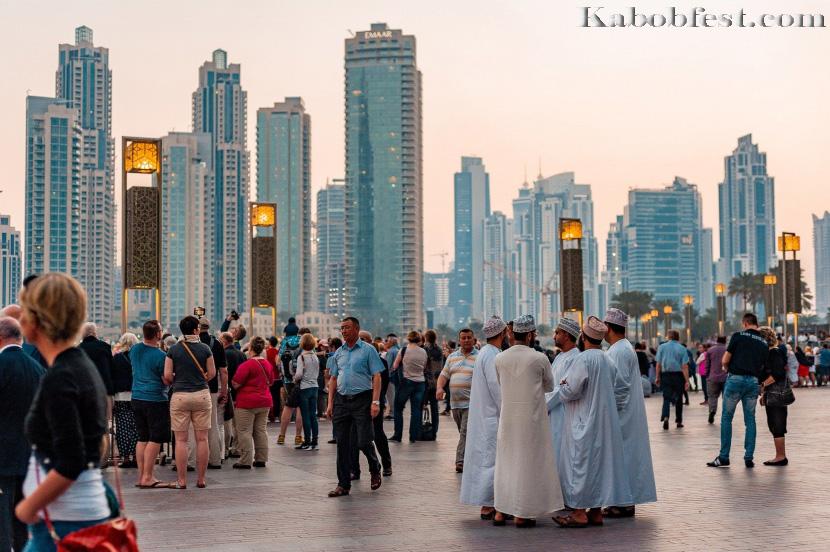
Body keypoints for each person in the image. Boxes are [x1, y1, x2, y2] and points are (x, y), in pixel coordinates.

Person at [14, 274, 111, 549]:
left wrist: (25, 510)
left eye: (24, 311)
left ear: (36, 320)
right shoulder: (79, 365)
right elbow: (96, 440)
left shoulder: (62, 376)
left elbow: (71, 460)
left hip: (63, 523)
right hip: (75, 514)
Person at [551, 317, 631, 528]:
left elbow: (570, 391)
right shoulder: (608, 360)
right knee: (598, 467)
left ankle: (578, 513)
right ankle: (595, 512)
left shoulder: (583, 360)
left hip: (582, 421)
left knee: (579, 466)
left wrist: (564, 385)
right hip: (604, 423)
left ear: (583, 337)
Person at [493, 315, 561, 528]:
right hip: (531, 420)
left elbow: (501, 383)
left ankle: (500, 511)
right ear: (530, 335)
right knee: (528, 464)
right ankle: (522, 514)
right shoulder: (540, 358)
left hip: (508, 420)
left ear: (512, 334)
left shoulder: (499, 358)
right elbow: (550, 386)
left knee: (507, 462)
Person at [602, 309, 656, 518]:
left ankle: (624, 503)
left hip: (622, 415)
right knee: (625, 458)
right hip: (625, 414)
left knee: (624, 459)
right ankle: (623, 501)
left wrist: (610, 413)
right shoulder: (622, 348)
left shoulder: (619, 351)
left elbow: (621, 387)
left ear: (608, 327)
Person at [0, 317, 46, 552]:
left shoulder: (1, 365)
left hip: (3, 453)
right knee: (21, 513)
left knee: (2, 514)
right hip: (28, 454)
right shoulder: (37, 368)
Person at [326, 317, 384, 497]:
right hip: (342, 401)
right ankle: (343, 485)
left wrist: (375, 402)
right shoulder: (339, 353)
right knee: (342, 443)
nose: (343, 331)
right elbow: (334, 379)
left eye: (347, 328)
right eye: (341, 328)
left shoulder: (368, 350)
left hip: (362, 400)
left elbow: (376, 376)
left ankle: (375, 467)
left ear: (356, 329)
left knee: (364, 440)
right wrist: (330, 404)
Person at [460, 316, 507, 522]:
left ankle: (490, 503)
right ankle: (489, 504)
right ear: (502, 334)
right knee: (491, 461)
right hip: (492, 417)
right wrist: (508, 410)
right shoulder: (492, 356)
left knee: (487, 459)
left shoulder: (487, 353)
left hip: (486, 416)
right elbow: (497, 389)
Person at [707, 313, 767, 468]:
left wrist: (726, 368)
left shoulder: (738, 336)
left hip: (736, 379)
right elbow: (763, 366)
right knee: (750, 420)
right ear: (757, 324)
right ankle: (749, 457)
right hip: (753, 381)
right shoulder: (763, 342)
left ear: (744, 323)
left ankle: (724, 456)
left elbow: (726, 358)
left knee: (727, 418)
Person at [165, 316, 216, 488]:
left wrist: (179, 379)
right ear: (196, 330)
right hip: (201, 394)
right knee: (202, 439)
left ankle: (182, 480)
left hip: (180, 395)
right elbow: (212, 373)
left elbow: (167, 375)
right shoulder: (205, 348)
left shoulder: (174, 349)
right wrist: (199, 380)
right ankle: (201, 479)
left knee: (181, 440)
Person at [130, 320, 173, 489]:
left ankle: (142, 476)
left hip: (137, 397)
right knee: (155, 439)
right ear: (157, 334)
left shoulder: (134, 349)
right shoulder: (161, 356)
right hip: (155, 399)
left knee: (143, 438)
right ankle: (148, 476)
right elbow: (166, 380)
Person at [351, 335, 392, 479]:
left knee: (377, 434)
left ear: (370, 342)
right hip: (357, 404)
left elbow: (383, 384)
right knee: (354, 435)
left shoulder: (381, 362)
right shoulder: (354, 360)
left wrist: (377, 401)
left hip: (374, 403)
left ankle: (386, 464)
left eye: (362, 339)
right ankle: (354, 470)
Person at [436, 329, 477, 471]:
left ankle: (460, 462)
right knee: (464, 433)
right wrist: (439, 388)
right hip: (455, 405)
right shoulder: (452, 357)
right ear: (459, 340)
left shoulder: (479, 357)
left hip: (472, 404)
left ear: (474, 340)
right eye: (463, 338)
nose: (466, 340)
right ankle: (473, 456)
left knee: (465, 432)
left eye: (469, 338)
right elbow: (443, 376)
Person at [546, 318, 582, 477]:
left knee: (563, 455)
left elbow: (563, 389)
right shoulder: (560, 357)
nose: (554, 337)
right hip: (553, 414)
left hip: (565, 414)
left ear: (566, 336)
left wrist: (541, 404)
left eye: (557, 333)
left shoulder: (576, 358)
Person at [231, 336, 273, 468]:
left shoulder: (247, 365)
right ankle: (261, 458)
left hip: (247, 402)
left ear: (250, 348)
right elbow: (271, 381)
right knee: (261, 430)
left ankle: (245, 460)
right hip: (264, 401)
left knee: (244, 431)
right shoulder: (267, 364)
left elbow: (236, 383)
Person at [78, 322, 114, 464]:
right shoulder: (105, 347)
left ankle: (89, 457)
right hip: (105, 390)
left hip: (85, 393)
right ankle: (103, 459)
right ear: (94, 333)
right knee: (104, 425)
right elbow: (111, 369)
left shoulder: (79, 349)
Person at [196, 317, 228, 469]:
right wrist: (224, 390)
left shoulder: (190, 343)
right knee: (213, 424)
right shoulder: (216, 343)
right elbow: (224, 370)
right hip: (212, 388)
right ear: (208, 327)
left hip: (194, 387)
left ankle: (191, 460)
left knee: (193, 427)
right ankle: (215, 459)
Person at [757, 326, 789, 466]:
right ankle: (780, 455)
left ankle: (780, 456)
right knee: (774, 423)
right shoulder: (771, 353)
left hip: (776, 394)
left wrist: (763, 385)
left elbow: (777, 374)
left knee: (777, 424)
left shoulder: (774, 353)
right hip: (773, 393)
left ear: (765, 338)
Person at [390, 330, 428, 443]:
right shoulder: (423, 352)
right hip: (420, 382)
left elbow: (395, 366)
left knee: (398, 408)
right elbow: (424, 367)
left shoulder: (404, 350)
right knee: (416, 410)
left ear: (408, 339)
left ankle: (398, 435)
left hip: (406, 382)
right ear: (419, 339)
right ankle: (413, 436)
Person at [112, 333, 139, 468]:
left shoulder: (117, 357)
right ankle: (136, 457)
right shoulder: (137, 357)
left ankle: (126, 458)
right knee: (136, 427)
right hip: (136, 395)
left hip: (120, 395)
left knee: (122, 428)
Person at [654, 330, 690, 430]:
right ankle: (678, 421)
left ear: (669, 337)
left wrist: (657, 376)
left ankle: (666, 416)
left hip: (666, 375)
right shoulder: (682, 348)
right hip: (678, 376)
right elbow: (684, 366)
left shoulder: (662, 347)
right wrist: (687, 380)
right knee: (679, 398)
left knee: (666, 397)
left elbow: (658, 364)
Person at [222, 332, 247, 458]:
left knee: (226, 422)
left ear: (224, 342)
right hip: (241, 393)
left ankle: (225, 450)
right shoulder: (242, 354)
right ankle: (237, 449)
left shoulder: (224, 355)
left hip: (229, 392)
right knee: (238, 425)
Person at [294, 333, 320, 450]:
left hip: (304, 387)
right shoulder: (315, 357)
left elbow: (299, 374)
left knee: (306, 416)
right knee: (313, 415)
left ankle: (307, 441)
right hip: (315, 386)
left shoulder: (301, 357)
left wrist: (295, 378)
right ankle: (315, 441)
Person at [277, 330, 303, 445]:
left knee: (288, 406)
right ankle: (298, 436)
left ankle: (281, 436)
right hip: (301, 380)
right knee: (300, 408)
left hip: (287, 379)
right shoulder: (305, 341)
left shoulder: (285, 342)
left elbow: (278, 360)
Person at [423, 330, 445, 434]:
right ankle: (434, 430)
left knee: (422, 405)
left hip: (427, 381)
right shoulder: (440, 350)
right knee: (434, 407)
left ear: (426, 338)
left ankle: (420, 430)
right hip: (437, 382)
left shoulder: (426, 350)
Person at [706, 335, 728, 424]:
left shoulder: (710, 350)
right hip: (726, 377)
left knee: (712, 396)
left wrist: (707, 375)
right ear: (725, 341)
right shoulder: (728, 350)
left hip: (713, 377)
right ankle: (726, 415)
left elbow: (707, 365)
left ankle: (712, 410)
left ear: (716, 341)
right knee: (726, 397)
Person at [265, 336, 283, 422]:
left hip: (269, 379)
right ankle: (276, 415)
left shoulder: (266, 352)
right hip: (278, 378)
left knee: (269, 397)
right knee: (277, 398)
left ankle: (270, 414)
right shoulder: (278, 352)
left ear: (269, 343)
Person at [383, 334, 400, 419]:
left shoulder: (390, 352)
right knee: (394, 394)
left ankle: (392, 412)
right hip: (396, 376)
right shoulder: (397, 350)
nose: (386, 342)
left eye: (388, 341)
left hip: (390, 376)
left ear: (392, 343)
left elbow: (387, 365)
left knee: (390, 395)